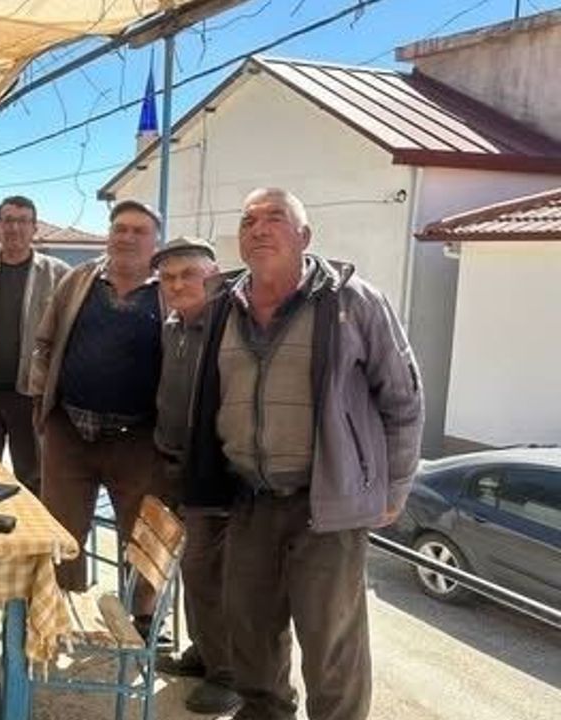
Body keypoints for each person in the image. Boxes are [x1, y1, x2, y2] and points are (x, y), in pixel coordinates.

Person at [186, 188, 423, 720]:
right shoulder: (224, 306)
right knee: (251, 631)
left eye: (274, 217)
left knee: (331, 643)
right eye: (248, 220)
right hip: (249, 499)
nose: (258, 228)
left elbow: (403, 399)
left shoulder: (352, 302)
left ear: (305, 236)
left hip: (327, 504)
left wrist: (394, 487)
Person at [29, 198, 168, 621]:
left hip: (140, 439)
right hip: (70, 432)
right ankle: (58, 611)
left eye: (138, 231)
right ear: (108, 235)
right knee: (61, 530)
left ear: (156, 241)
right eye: (119, 229)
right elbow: (45, 342)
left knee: (144, 535)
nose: (127, 237)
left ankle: (144, 619)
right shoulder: (79, 280)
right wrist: (40, 401)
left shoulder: (168, 290)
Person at [150, 236, 245, 715]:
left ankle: (229, 675)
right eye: (168, 278)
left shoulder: (231, 326)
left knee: (211, 574)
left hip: (215, 472)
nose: (177, 285)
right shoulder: (173, 325)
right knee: (193, 568)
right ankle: (204, 652)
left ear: (213, 276)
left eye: (188, 274)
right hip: (174, 463)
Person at [0, 196, 70, 494]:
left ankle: (30, 525)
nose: (15, 228)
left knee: (35, 477)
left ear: (34, 228)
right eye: (8, 220)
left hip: (31, 395)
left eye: (23, 221)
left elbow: (68, 335)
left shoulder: (59, 275)